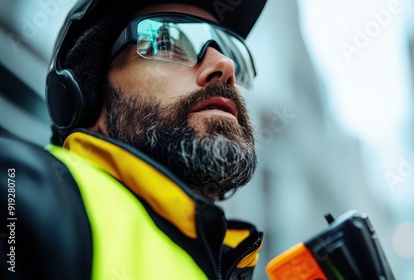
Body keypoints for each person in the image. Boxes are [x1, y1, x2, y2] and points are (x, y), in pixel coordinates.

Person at [0, 0, 267, 279]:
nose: (225, 65)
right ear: (90, 98)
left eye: (232, 50)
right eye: (169, 42)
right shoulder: (25, 193)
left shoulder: (223, 258)